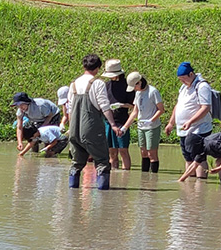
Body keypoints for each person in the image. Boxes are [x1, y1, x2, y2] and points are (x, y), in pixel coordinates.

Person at [67, 54, 120, 190]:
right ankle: (103, 196)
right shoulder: (97, 83)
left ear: (84, 66)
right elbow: (104, 106)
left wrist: (70, 127)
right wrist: (113, 124)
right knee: (102, 161)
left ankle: (73, 193)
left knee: (76, 163)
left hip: (74, 129)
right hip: (91, 128)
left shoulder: (73, 84)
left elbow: (69, 108)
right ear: (98, 68)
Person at [164, 62, 214, 180]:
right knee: (188, 158)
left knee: (199, 158)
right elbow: (178, 105)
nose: (182, 82)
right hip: (183, 130)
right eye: (180, 80)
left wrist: (190, 121)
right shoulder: (184, 87)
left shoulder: (202, 86)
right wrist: (171, 123)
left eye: (183, 79)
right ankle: (190, 185)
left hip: (199, 129)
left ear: (191, 74)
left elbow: (205, 107)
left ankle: (201, 185)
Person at [124, 71, 164, 174]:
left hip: (152, 127)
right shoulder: (138, 93)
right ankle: (144, 177)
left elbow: (161, 109)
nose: (134, 89)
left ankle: (154, 177)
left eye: (135, 86)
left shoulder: (153, 92)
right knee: (143, 152)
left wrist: (151, 120)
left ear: (140, 82)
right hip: (141, 127)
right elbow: (135, 112)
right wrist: (125, 127)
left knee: (152, 153)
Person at [102, 59, 134, 170]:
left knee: (123, 150)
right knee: (112, 152)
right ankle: (113, 174)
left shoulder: (127, 86)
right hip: (108, 122)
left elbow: (134, 106)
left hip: (122, 121)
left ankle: (125, 174)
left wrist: (121, 105)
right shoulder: (106, 86)